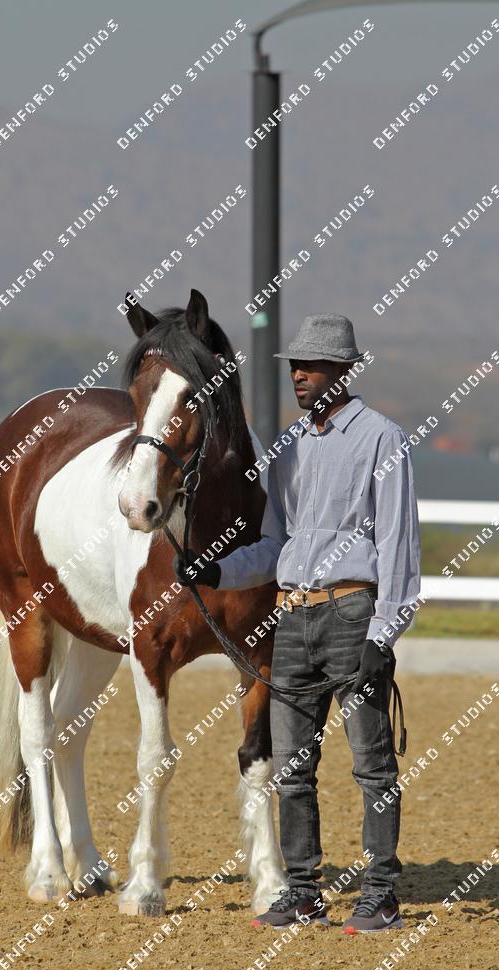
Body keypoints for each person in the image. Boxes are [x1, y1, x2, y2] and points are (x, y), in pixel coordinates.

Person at [174, 314, 421, 934]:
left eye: (311, 367)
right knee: (291, 765)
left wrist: (381, 636)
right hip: (294, 617)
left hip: (352, 613)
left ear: (344, 370)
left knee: (371, 763)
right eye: (294, 367)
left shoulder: (381, 440)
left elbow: (399, 549)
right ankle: (305, 890)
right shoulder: (288, 449)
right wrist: (215, 571)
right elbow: (276, 547)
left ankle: (381, 892)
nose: (299, 377)